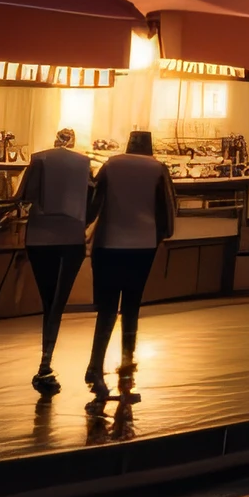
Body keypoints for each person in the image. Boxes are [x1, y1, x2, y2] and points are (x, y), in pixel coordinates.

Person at [86, 131, 176, 402]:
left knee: (107, 309)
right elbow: (167, 210)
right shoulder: (158, 169)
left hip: (107, 243)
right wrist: (160, 235)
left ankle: (95, 367)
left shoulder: (111, 165)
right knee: (132, 308)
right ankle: (126, 368)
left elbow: (94, 205)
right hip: (143, 243)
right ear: (149, 146)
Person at [15, 129, 94, 397]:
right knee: (58, 301)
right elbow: (93, 202)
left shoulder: (38, 160)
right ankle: (45, 361)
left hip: (38, 237)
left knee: (48, 299)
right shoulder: (84, 164)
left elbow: (23, 196)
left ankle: (45, 362)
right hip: (71, 238)